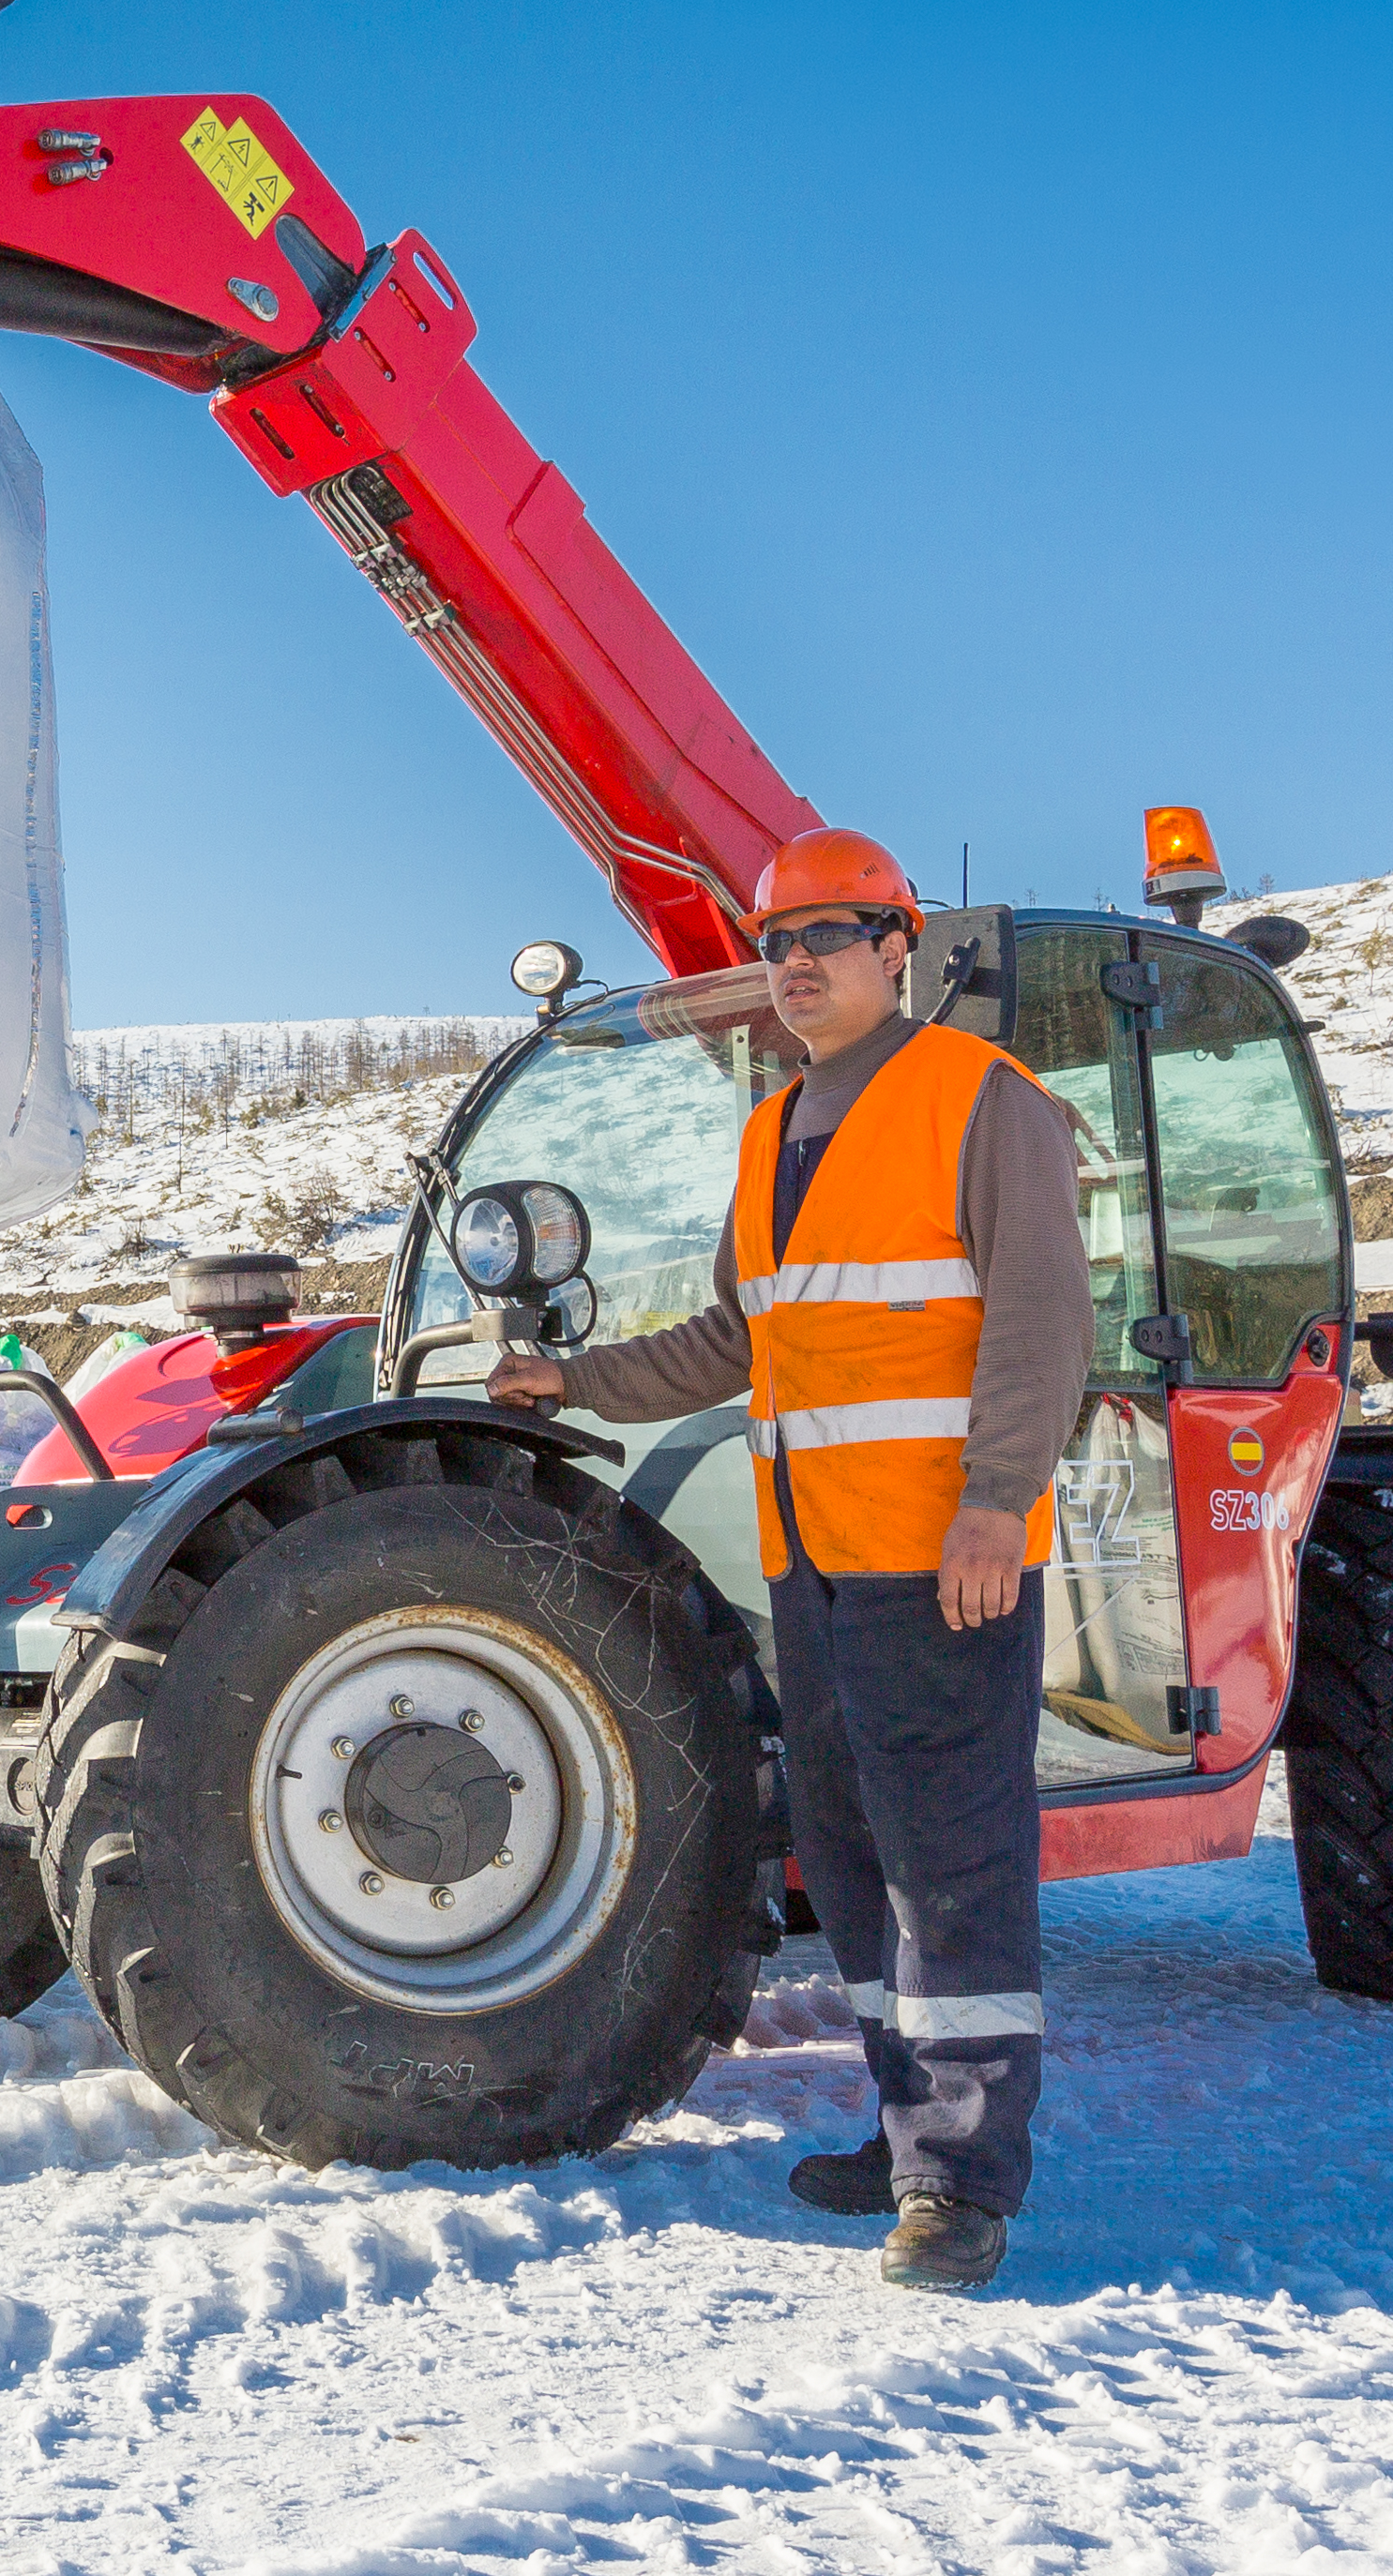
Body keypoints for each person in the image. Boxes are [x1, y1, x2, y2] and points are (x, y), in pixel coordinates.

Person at [489, 825, 1085, 2295]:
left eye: (831, 932)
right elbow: (738, 1341)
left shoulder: (982, 1101)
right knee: (860, 1858)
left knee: (953, 1869)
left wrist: (997, 1504)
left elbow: (1039, 1319)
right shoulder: (771, 1137)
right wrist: (573, 1385)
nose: (799, 960)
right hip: (815, 1565)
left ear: (903, 945)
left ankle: (961, 2182)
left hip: (943, 1553)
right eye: (778, 940)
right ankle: (905, 2134)